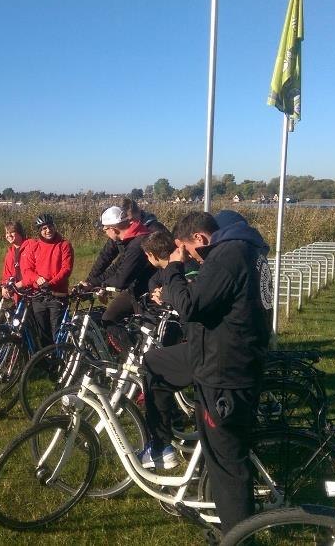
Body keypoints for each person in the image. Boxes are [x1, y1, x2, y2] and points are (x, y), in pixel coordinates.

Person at [139, 210, 272, 533]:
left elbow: (192, 306)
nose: (192, 258)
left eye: (188, 249)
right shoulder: (243, 250)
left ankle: (238, 537)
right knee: (223, 458)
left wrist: (173, 268)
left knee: (228, 467)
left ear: (199, 238)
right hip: (220, 358)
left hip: (225, 370)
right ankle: (163, 441)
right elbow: (206, 302)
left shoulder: (228, 255)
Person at [82, 198, 166, 289]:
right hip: (132, 276)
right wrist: (90, 281)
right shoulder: (121, 235)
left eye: (129, 220)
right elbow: (107, 257)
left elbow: (167, 259)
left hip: (155, 281)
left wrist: (101, 286)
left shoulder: (152, 232)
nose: (129, 224)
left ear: (138, 213)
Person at [20, 213, 74, 346]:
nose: (48, 230)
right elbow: (27, 269)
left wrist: (50, 284)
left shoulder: (64, 245)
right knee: (42, 331)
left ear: (54, 227)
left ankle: (60, 360)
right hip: (38, 295)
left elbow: (66, 269)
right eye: (44, 228)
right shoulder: (34, 246)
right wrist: (37, 278)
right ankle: (47, 361)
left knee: (57, 330)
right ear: (39, 231)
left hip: (56, 294)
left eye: (50, 227)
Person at [0, 221, 34, 300]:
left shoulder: (31, 246)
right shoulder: (10, 252)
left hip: (32, 292)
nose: (9, 235)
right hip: (17, 293)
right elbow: (7, 273)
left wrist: (22, 283)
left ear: (19, 232)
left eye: (12, 232)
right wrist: (4, 286)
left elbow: (36, 270)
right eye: (7, 233)